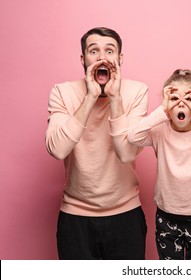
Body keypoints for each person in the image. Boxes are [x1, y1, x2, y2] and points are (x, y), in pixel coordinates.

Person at [45, 27, 149, 260]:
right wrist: (90, 97)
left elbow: (127, 153)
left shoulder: (137, 91)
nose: (102, 57)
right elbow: (57, 149)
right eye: (94, 51)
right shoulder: (62, 92)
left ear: (120, 59)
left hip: (126, 214)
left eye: (109, 51)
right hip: (75, 217)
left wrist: (114, 98)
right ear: (83, 59)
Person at [127, 69, 191, 260]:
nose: (181, 103)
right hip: (167, 217)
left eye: (188, 99)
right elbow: (133, 137)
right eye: (174, 98)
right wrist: (162, 109)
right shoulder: (160, 130)